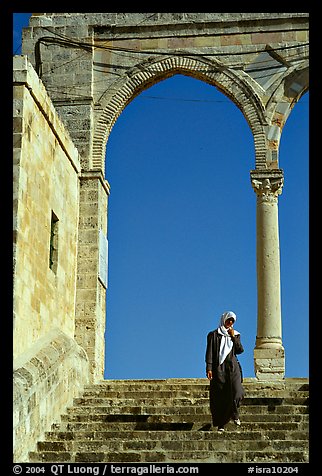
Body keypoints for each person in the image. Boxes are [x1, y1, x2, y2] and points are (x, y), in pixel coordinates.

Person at [205, 310, 245, 432]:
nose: (230, 322)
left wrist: (233, 336)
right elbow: (210, 352)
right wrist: (209, 368)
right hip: (219, 368)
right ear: (224, 320)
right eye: (229, 320)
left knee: (238, 391)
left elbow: (239, 350)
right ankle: (221, 424)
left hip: (233, 367)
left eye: (232, 321)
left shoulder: (236, 334)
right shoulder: (213, 334)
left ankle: (234, 413)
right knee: (221, 395)